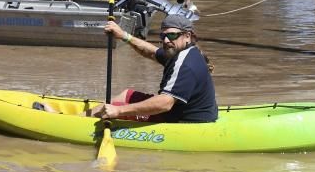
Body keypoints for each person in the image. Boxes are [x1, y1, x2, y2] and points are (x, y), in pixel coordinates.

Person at [87, 14, 217, 123]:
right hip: (180, 110)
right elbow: (150, 52)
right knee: (126, 95)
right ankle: (84, 116)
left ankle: (79, 121)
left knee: (113, 108)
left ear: (188, 36)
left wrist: (118, 111)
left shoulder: (186, 64)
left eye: (172, 35)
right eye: (163, 36)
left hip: (185, 119)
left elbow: (165, 103)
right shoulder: (180, 51)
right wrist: (123, 35)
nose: (166, 40)